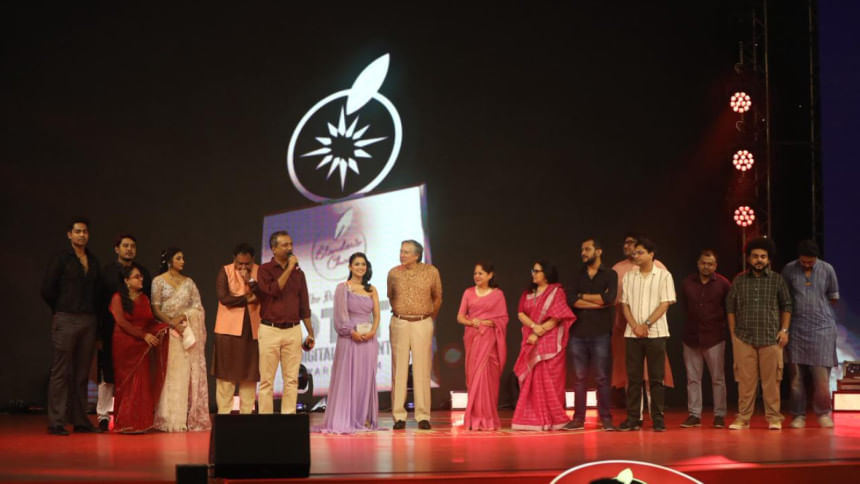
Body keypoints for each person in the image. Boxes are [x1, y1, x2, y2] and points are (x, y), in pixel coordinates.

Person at [41, 217, 103, 435]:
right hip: (66, 317)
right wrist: (60, 308)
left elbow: (97, 293)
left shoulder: (93, 260)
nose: (82, 235)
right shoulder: (61, 259)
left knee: (82, 373)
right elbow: (47, 289)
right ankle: (57, 421)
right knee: (61, 371)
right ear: (69, 235)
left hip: (88, 319)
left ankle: (80, 420)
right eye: (78, 231)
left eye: (85, 231)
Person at [726, 237, 792, 430]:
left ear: (769, 259)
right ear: (748, 258)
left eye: (763, 256)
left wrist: (784, 330)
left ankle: (774, 418)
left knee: (772, 383)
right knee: (745, 383)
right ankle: (743, 418)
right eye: (755, 256)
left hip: (771, 338)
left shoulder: (777, 280)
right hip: (743, 338)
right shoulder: (739, 280)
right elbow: (730, 307)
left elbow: (787, 306)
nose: (759, 260)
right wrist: (733, 333)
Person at [316, 252, 381, 433]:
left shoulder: (372, 289)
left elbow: (376, 315)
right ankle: (347, 417)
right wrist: (351, 332)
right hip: (349, 339)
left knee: (365, 378)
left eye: (363, 264)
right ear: (350, 267)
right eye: (357, 264)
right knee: (348, 377)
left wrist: (373, 331)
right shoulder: (343, 288)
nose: (360, 267)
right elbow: (340, 316)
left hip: (368, 340)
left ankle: (362, 417)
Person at [251, 231, 315, 414]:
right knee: (267, 380)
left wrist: (310, 332)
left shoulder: (299, 274)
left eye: (291, 244)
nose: (290, 248)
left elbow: (304, 306)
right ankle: (266, 420)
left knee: (292, 379)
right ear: (274, 248)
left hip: (293, 329)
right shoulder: (265, 270)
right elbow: (274, 290)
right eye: (285, 245)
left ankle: (288, 418)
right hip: (270, 329)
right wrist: (289, 268)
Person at [617, 237, 675, 432]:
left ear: (651, 254)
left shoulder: (663, 275)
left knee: (656, 378)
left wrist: (646, 324)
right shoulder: (629, 276)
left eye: (640, 252)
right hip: (633, 333)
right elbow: (624, 304)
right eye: (635, 253)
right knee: (633, 378)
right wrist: (635, 326)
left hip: (656, 333)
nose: (636, 256)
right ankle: (633, 418)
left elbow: (665, 303)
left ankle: (658, 419)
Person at [151, 247, 211, 431]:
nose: (183, 261)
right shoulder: (158, 281)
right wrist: (171, 323)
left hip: (186, 332)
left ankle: (184, 418)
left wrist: (184, 317)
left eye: (183, 258)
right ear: (169, 261)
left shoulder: (189, 282)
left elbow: (198, 308)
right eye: (178, 258)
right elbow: (156, 308)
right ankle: (168, 418)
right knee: (170, 374)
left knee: (185, 375)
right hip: (168, 333)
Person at [511, 260, 576, 431]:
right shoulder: (527, 293)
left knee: (550, 380)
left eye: (537, 271)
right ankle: (531, 419)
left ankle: (554, 418)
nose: (533, 274)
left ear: (546, 274)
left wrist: (539, 331)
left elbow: (557, 318)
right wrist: (534, 327)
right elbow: (520, 314)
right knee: (530, 377)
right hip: (530, 338)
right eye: (533, 271)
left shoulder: (556, 292)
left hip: (550, 340)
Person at [97, 234, 152, 431]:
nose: (129, 249)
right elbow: (99, 303)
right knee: (108, 375)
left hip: (137, 335)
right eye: (125, 245)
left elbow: (147, 302)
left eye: (132, 246)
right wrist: (98, 334)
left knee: (135, 377)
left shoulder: (143, 272)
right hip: (111, 331)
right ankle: (103, 416)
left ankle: (132, 415)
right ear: (117, 249)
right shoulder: (106, 273)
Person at [782, 240, 839, 429]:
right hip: (796, 329)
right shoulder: (789, 269)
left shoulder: (827, 269)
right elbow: (784, 299)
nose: (807, 264)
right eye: (804, 261)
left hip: (822, 329)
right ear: (799, 258)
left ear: (816, 258)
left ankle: (823, 413)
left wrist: (817, 310)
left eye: (811, 262)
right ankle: (798, 415)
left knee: (821, 379)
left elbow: (833, 297)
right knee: (796, 379)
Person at [388, 240, 442, 430]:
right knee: (399, 370)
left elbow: (438, 297)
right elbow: (391, 296)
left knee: (422, 369)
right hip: (399, 322)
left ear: (417, 255)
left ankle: (423, 416)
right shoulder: (393, 273)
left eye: (406, 252)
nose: (402, 255)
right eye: (401, 251)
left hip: (422, 322)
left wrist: (427, 318)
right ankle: (398, 416)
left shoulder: (431, 271)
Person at [564, 238, 617, 431]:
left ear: (599, 251)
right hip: (578, 332)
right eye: (582, 250)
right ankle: (578, 418)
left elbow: (609, 298)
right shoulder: (576, 274)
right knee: (579, 378)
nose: (583, 253)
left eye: (587, 249)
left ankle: (606, 418)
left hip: (601, 332)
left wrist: (583, 297)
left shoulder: (610, 274)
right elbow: (571, 299)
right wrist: (597, 301)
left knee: (602, 377)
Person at [110, 265, 169, 433]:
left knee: (142, 381)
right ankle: (125, 423)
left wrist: (165, 327)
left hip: (142, 344)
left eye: (141, 276)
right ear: (126, 281)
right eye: (136, 277)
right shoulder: (117, 298)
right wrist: (144, 335)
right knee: (127, 383)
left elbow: (150, 322)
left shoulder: (144, 298)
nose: (141, 279)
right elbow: (122, 322)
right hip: (124, 343)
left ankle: (140, 422)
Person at [679, 250, 731, 429]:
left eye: (710, 264)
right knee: (693, 379)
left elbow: (728, 309)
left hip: (714, 337)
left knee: (718, 379)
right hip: (691, 337)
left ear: (715, 266)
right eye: (703, 263)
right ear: (698, 263)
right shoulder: (687, 283)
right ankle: (694, 415)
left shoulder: (723, 284)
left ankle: (719, 415)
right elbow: (685, 307)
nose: (706, 267)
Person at [456, 262, 508, 431]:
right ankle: (474, 418)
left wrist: (487, 322)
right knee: (474, 378)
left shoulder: (498, 295)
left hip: (490, 340)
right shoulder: (468, 293)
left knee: (487, 378)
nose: (477, 276)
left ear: (490, 275)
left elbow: (503, 318)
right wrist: (473, 322)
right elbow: (460, 317)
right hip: (473, 338)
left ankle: (487, 418)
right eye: (475, 273)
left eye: (481, 273)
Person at [212, 243, 261, 415]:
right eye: (239, 263)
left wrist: (249, 280)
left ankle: (247, 416)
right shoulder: (225, 271)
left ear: (253, 260)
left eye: (247, 264)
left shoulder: (259, 271)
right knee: (226, 376)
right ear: (234, 259)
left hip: (253, 330)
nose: (243, 267)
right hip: (227, 331)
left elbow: (262, 294)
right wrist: (247, 299)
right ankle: (224, 415)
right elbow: (224, 298)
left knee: (250, 375)